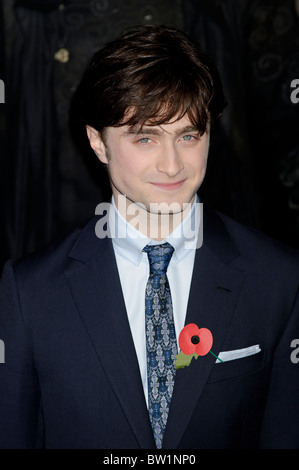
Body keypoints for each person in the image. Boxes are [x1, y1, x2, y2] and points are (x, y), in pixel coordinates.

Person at [0, 24, 298, 450]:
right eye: (146, 137)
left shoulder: (280, 280)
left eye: (189, 136)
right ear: (97, 142)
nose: (173, 165)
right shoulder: (29, 292)